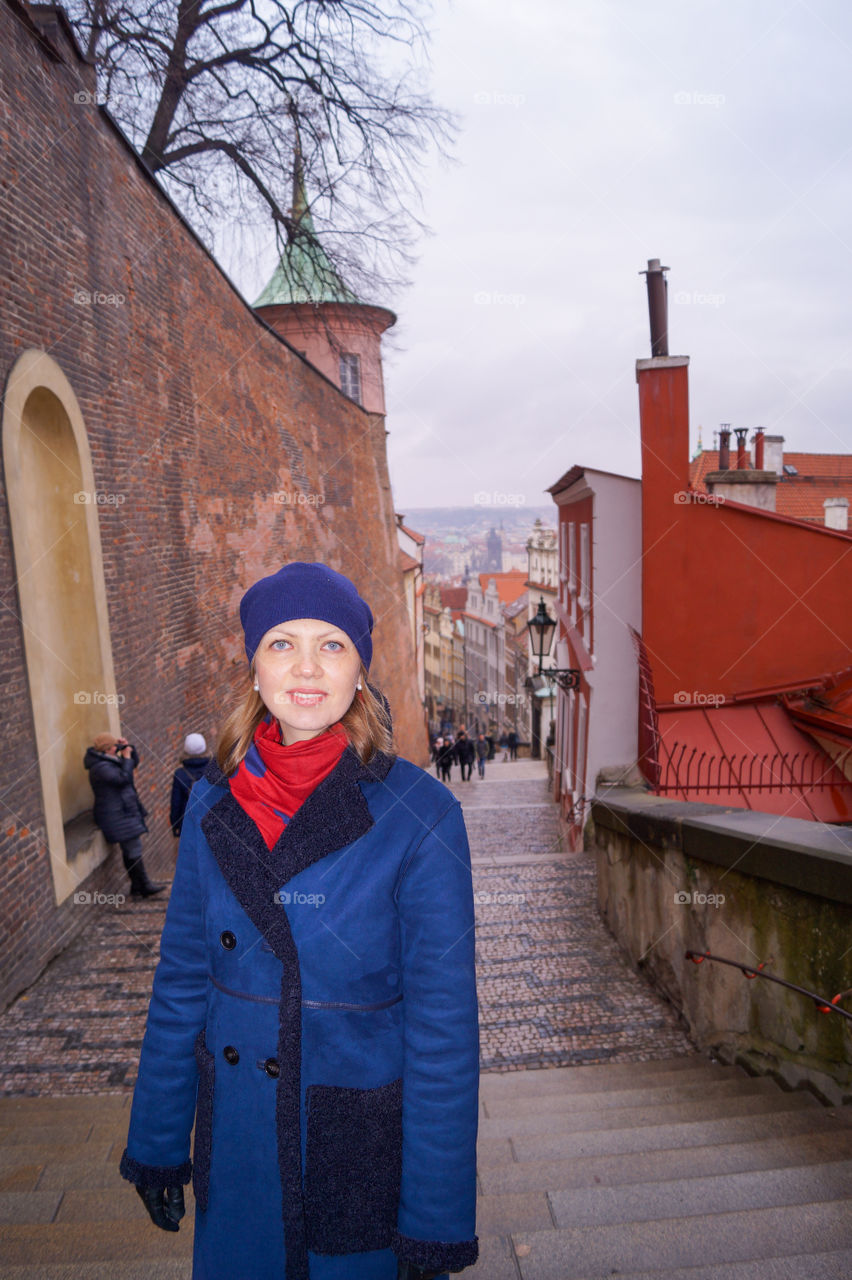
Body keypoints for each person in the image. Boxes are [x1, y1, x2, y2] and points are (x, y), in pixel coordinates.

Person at [119, 561, 480, 1280]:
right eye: (282, 643)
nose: (307, 667)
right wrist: (157, 1141)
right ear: (254, 669)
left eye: (332, 645)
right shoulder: (214, 802)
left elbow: (443, 1035)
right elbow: (183, 981)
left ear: (359, 673)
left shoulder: (421, 817)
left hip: (355, 1157)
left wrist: (433, 1224)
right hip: (240, 1147)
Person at [84, 733, 164, 898]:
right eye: (115, 746)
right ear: (107, 749)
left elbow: (133, 763)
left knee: (131, 849)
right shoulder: (100, 768)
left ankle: (137, 886)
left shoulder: (109, 761)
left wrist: (129, 748)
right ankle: (144, 885)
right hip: (116, 814)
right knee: (133, 848)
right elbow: (124, 778)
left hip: (123, 812)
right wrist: (126, 758)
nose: (117, 748)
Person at [169, 733, 212, 837]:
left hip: (189, 825)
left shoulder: (180, 774)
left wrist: (175, 825)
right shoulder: (214, 769)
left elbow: (176, 803)